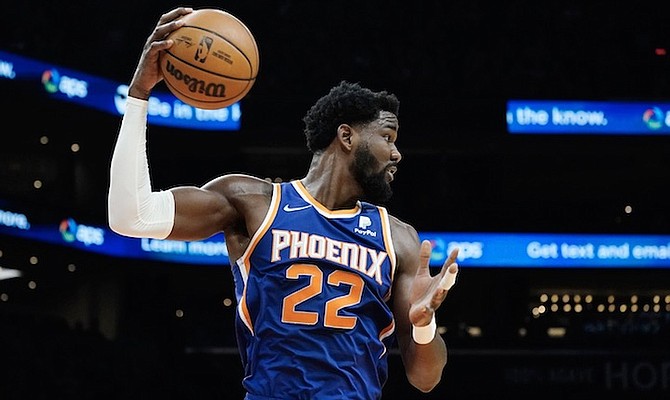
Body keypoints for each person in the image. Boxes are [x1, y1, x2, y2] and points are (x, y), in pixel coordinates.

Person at [108, 7, 460, 400]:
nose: (397, 154)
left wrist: (424, 323)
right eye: (388, 137)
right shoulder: (254, 203)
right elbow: (130, 217)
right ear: (347, 136)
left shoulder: (400, 239)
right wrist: (138, 95)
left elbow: (424, 378)